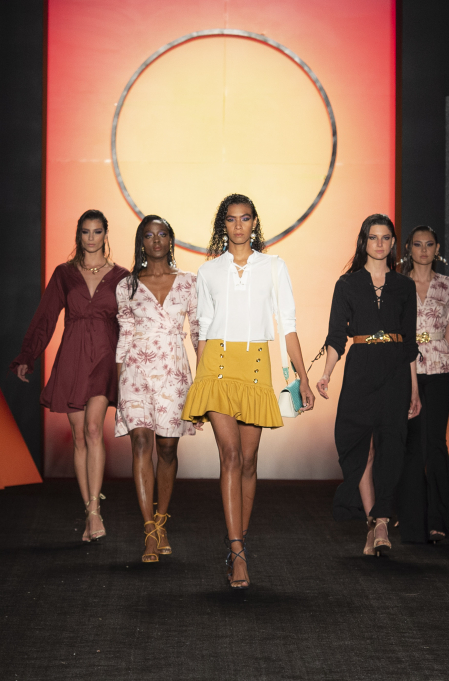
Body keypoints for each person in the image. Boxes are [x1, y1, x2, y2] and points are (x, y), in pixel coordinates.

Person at [181, 194, 315, 589]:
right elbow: (204, 329)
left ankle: (237, 539)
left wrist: (303, 377)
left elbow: (287, 325)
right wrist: (199, 388)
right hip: (217, 366)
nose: (238, 226)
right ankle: (238, 552)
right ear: (223, 224)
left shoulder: (274, 267)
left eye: (245, 218)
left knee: (250, 461)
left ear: (254, 222)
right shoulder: (208, 271)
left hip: (256, 366)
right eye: (231, 219)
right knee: (231, 456)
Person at [12, 209, 128, 542]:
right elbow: (46, 317)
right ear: (79, 235)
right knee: (79, 436)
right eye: (85, 232)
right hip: (73, 358)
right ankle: (90, 511)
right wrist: (28, 355)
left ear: (106, 234)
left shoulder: (122, 276)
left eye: (97, 231)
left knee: (93, 428)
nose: (91, 238)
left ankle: (95, 512)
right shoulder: (64, 274)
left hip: (104, 356)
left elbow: (131, 323)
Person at [316, 214, 420, 556]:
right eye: (373, 237)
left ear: (393, 243)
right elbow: (336, 336)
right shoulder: (347, 284)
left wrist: (414, 389)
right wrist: (327, 373)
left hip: (395, 370)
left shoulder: (404, 286)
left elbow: (409, 343)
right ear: (364, 241)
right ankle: (373, 522)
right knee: (359, 445)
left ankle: (381, 522)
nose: (379, 243)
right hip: (360, 369)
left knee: (392, 445)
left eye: (385, 237)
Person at [114, 216, 198, 563]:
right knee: (140, 443)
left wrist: (204, 384)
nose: (156, 240)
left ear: (170, 239)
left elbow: (198, 334)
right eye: (149, 235)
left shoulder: (189, 282)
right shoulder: (127, 286)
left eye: (162, 233)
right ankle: (149, 529)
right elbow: (124, 337)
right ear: (141, 243)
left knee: (167, 447)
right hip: (136, 372)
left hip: (173, 373)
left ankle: (162, 520)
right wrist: (120, 385)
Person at [396, 225, 449, 544]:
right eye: (417, 244)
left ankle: (438, 520)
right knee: (412, 445)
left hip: (440, 368)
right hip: (406, 369)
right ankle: (412, 521)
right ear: (408, 248)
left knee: (436, 444)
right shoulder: (398, 285)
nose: (423, 250)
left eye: (429, 244)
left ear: (437, 249)